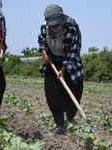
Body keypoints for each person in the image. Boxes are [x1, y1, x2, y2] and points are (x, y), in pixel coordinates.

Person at [38, 4, 84, 134]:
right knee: (53, 95)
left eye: (56, 25)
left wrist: (64, 69)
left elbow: (74, 51)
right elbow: (42, 42)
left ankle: (70, 119)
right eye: (51, 25)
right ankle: (59, 124)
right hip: (52, 63)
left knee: (74, 93)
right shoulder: (44, 27)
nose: (54, 28)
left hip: (71, 63)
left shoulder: (72, 28)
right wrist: (44, 51)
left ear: (62, 20)